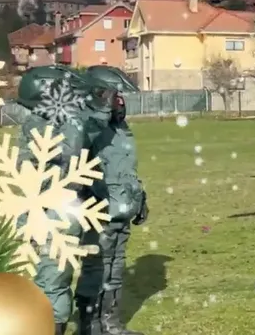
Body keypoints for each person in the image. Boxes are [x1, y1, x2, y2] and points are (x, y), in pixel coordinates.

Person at [13, 66, 112, 335]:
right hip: (44, 209)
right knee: (42, 280)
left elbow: (66, 165)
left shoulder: (62, 122)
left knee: (51, 282)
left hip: (54, 210)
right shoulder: (51, 119)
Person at [74, 68, 148, 335]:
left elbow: (125, 167)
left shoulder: (121, 129)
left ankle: (110, 323)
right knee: (96, 269)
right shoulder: (87, 126)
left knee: (115, 268)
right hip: (99, 210)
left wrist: (140, 197)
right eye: (115, 96)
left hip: (122, 209)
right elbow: (75, 160)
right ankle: (89, 326)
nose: (121, 102)